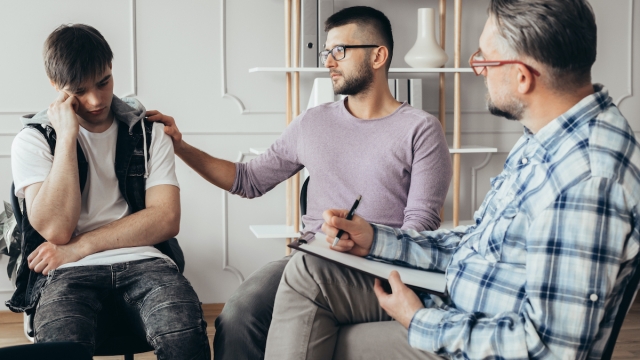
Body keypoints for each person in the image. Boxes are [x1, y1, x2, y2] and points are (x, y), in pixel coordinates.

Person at [264, 0, 640, 359]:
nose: (479, 70)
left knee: (321, 333)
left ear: (522, 77)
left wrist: (419, 320)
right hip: (458, 299)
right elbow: (478, 243)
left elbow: (549, 350)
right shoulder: (547, 139)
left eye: (485, 60)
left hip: (473, 333)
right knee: (309, 272)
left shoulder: (587, 181)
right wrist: (377, 239)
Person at [148, 6, 452, 360]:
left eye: (340, 51)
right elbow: (248, 180)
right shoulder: (312, 123)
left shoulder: (421, 129)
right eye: (327, 52)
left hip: (381, 267)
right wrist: (180, 146)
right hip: (312, 258)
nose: (328, 62)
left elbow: (422, 225)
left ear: (378, 56)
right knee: (238, 314)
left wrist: (370, 239)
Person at [7, 24, 210, 359]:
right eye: (79, 90)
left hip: (145, 260)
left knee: (184, 335)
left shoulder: (148, 132)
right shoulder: (33, 140)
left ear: (111, 68)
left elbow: (166, 219)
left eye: (103, 82)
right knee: (61, 346)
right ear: (56, 86)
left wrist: (82, 245)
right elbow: (57, 229)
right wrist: (68, 135)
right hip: (64, 272)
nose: (96, 99)